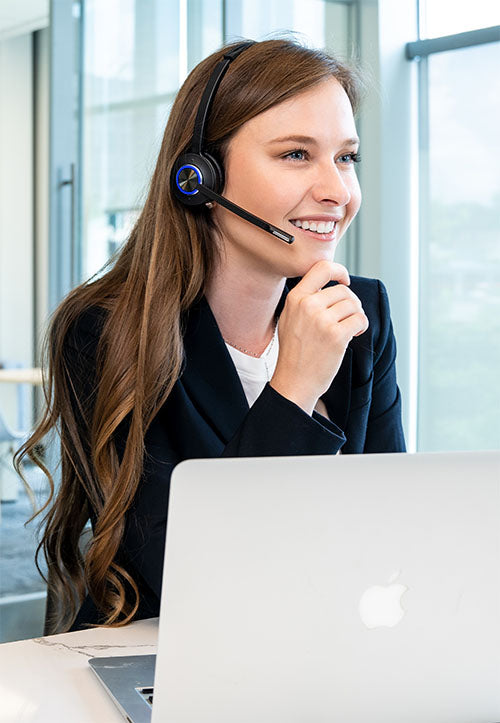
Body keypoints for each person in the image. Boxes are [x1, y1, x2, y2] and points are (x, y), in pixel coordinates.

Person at [18, 38, 405, 634]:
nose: (337, 191)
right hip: (160, 659)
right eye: (297, 154)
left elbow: (390, 531)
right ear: (199, 177)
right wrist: (294, 389)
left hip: (319, 652)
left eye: (346, 158)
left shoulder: (361, 313)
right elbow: (191, 578)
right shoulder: (105, 331)